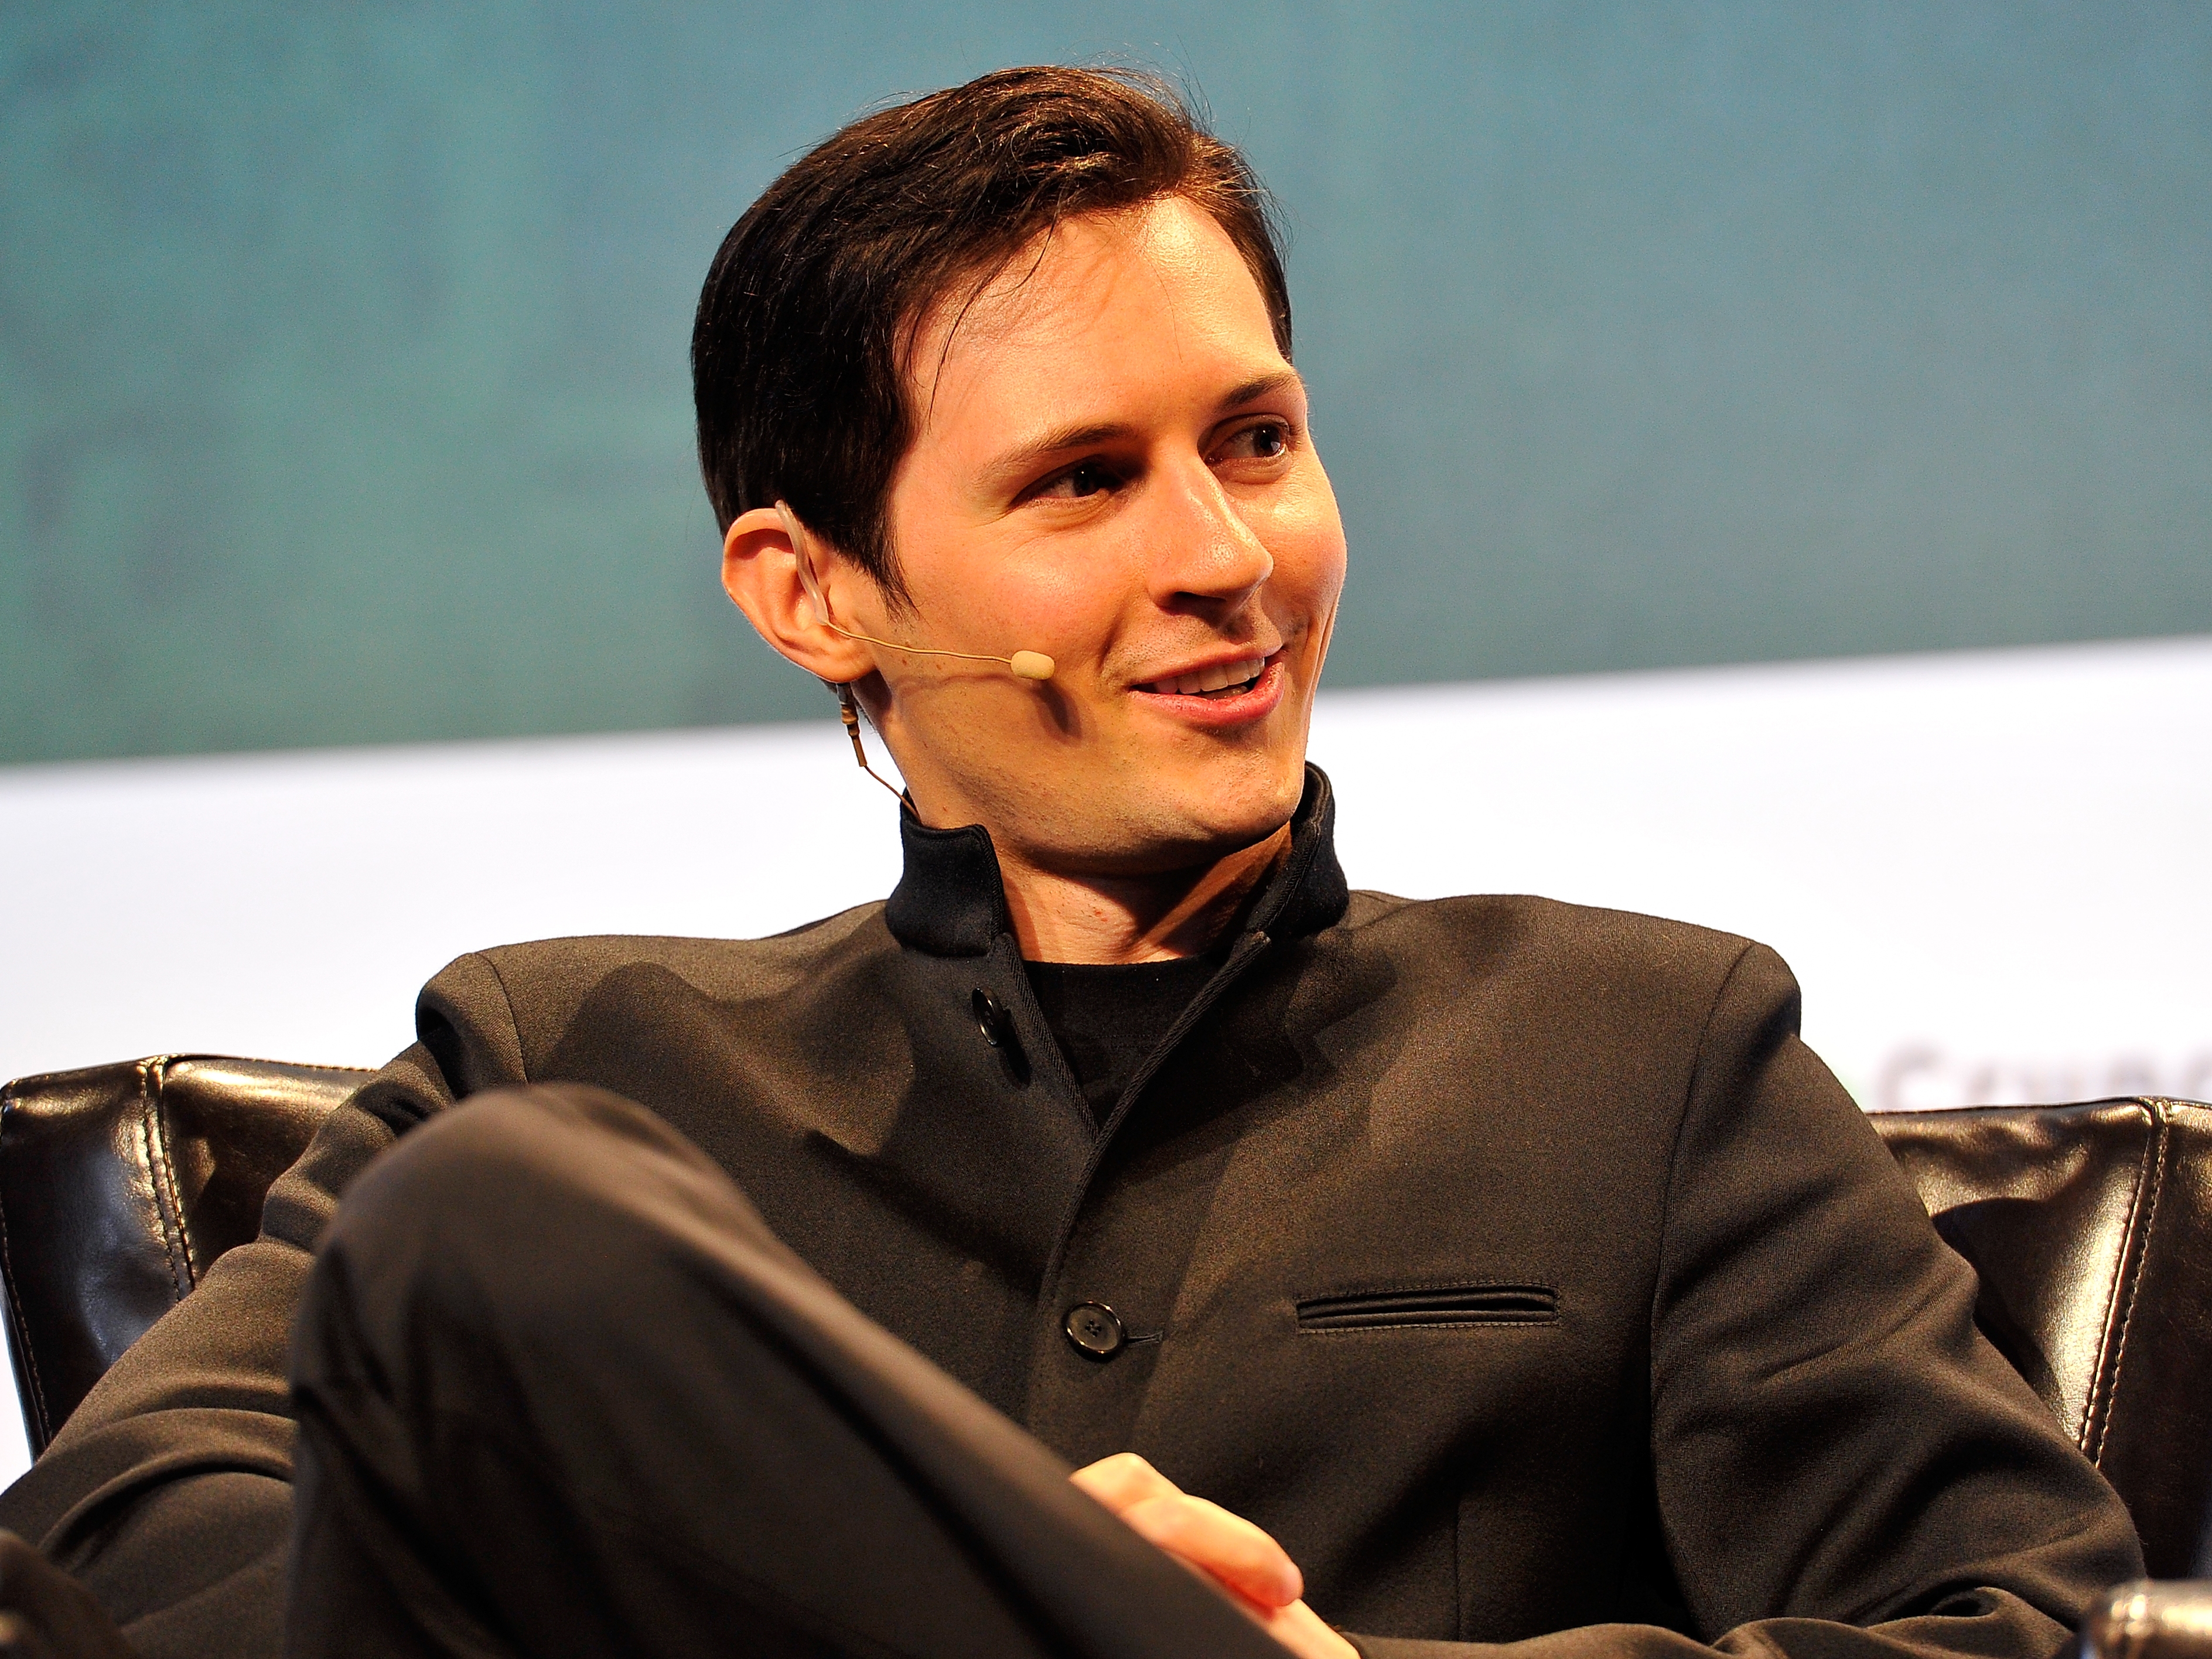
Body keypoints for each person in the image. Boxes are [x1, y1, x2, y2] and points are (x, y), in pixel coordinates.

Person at [0, 65, 2139, 1659]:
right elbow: (130, 1534)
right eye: (1085, 482)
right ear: (814, 593)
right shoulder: (571, 1057)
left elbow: (2012, 1623)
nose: (1226, 562)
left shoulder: (1646, 1049)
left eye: (1257, 442)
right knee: (497, 1227)